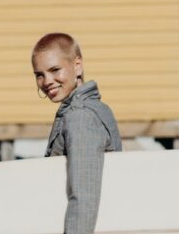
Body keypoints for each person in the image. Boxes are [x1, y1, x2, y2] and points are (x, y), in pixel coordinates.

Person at [32, 33, 122, 234]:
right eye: (39, 74)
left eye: (55, 70)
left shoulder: (80, 117)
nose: (47, 81)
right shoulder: (95, 108)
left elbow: (84, 196)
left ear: (77, 66)